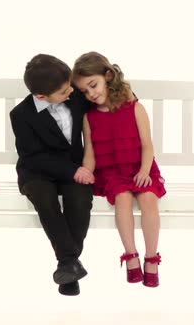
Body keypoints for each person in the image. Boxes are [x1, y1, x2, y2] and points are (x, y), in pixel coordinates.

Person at [71, 51, 166, 287]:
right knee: (122, 199)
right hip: (113, 173)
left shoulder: (134, 108)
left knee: (148, 199)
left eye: (93, 85)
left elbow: (147, 145)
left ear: (108, 76)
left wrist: (144, 171)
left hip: (139, 168)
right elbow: (90, 152)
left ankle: (151, 257)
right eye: (84, 91)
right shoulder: (89, 117)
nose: (91, 94)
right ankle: (130, 256)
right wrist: (86, 172)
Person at [9, 54, 95, 296]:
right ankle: (69, 261)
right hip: (37, 171)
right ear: (41, 96)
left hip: (73, 168)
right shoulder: (21, 115)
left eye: (70, 87)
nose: (71, 92)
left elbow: (107, 104)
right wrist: (73, 170)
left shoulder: (75, 97)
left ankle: (67, 265)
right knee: (44, 198)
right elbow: (32, 156)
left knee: (79, 200)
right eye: (64, 91)